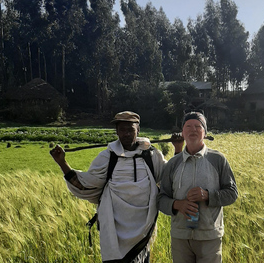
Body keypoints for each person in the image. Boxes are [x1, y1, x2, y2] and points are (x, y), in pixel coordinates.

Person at [50, 111, 175, 263]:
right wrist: (62, 163)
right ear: (116, 131)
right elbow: (85, 184)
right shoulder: (107, 157)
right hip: (114, 229)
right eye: (122, 130)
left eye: (131, 129)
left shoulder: (151, 155)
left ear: (138, 130)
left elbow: (169, 177)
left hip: (143, 230)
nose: (126, 134)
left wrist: (178, 148)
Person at [158, 110, 238, 263]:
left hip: (209, 236)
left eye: (198, 126)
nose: (193, 130)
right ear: (182, 132)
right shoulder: (173, 163)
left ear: (205, 132)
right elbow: (161, 198)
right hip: (180, 236)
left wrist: (208, 195)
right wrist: (177, 204)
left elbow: (232, 193)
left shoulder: (218, 160)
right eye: (188, 126)